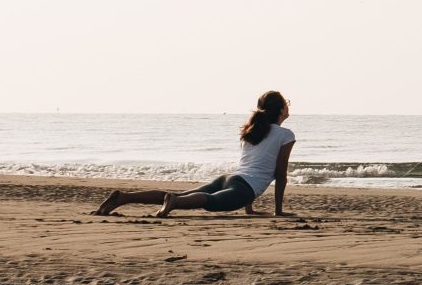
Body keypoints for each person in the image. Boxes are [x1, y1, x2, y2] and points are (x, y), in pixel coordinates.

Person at [95, 92, 296, 218]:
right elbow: (280, 174)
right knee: (210, 202)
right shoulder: (285, 135)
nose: (288, 106)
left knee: (182, 195)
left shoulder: (252, 130)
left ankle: (125, 197)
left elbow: (253, 165)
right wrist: (278, 211)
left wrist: (249, 209)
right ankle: (174, 203)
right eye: (286, 103)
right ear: (280, 110)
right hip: (244, 187)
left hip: (230, 179)